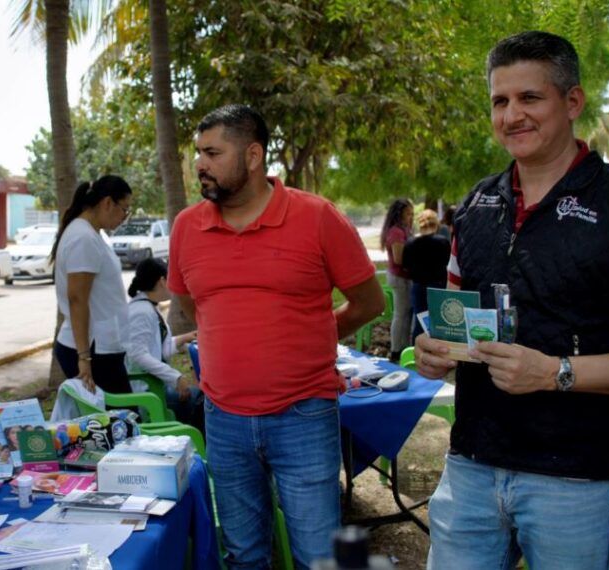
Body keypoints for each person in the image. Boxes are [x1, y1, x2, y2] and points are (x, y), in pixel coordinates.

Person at [413, 31, 609, 569]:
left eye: (529, 98)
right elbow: (455, 326)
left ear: (572, 102)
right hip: (471, 465)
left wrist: (554, 373)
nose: (511, 115)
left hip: (578, 478)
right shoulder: (475, 205)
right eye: (500, 101)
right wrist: (435, 352)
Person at [169, 104, 384, 567]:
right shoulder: (187, 227)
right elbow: (193, 306)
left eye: (211, 152)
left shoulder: (317, 217)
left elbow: (370, 302)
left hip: (304, 415)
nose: (199, 165)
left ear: (252, 155)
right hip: (223, 417)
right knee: (244, 555)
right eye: (196, 154)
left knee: (317, 556)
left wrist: (314, 333)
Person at [51, 175, 135, 394]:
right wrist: (84, 357)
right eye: (124, 209)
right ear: (107, 203)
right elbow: (77, 298)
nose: (125, 217)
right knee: (122, 422)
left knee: (117, 421)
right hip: (93, 348)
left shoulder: (91, 233)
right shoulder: (83, 238)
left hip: (101, 345)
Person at [125, 258, 204, 431]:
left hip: (155, 383)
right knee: (200, 399)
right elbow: (139, 355)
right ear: (162, 280)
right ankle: (196, 443)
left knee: (198, 396)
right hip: (148, 389)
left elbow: (158, 349)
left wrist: (184, 338)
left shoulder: (148, 307)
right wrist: (175, 377)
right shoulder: (141, 312)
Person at [401, 208, 450, 340]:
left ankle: (416, 348)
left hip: (418, 285)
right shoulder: (443, 242)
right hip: (438, 285)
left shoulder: (410, 243)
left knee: (419, 320)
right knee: (438, 320)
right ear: (436, 224)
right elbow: (448, 263)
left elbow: (405, 265)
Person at [381, 198, 414, 361]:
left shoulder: (404, 230)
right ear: (399, 213)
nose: (410, 217)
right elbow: (399, 258)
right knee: (400, 315)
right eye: (408, 213)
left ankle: (404, 348)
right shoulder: (396, 232)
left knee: (406, 315)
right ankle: (396, 349)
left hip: (404, 277)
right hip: (400, 278)